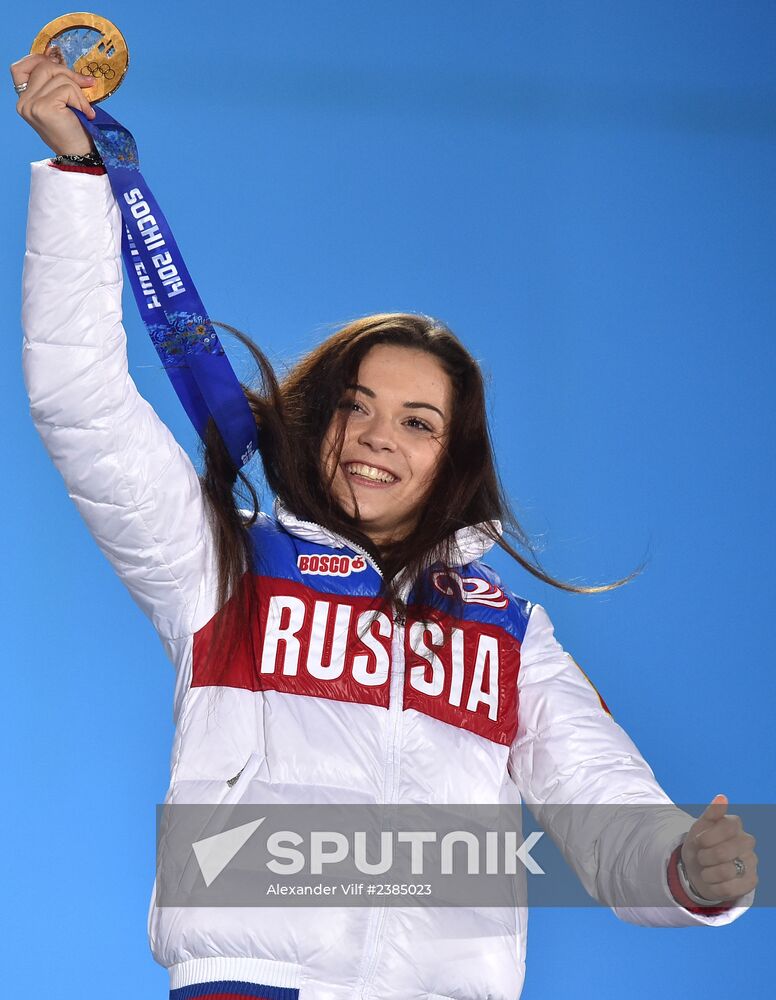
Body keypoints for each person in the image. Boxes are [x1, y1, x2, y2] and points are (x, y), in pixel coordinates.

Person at [13, 52, 758, 1000]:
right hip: (253, 984)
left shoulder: (510, 638)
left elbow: (603, 805)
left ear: (457, 462)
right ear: (319, 417)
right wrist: (82, 178)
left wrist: (689, 869)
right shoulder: (224, 568)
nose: (375, 439)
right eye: (355, 407)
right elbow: (80, 399)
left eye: (418, 423)